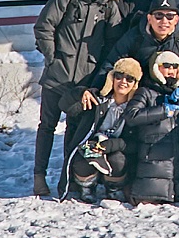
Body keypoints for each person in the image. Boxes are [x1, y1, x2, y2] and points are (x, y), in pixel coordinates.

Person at [31, 0, 127, 197]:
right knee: (47, 126)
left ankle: (69, 178)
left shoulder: (110, 8)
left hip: (84, 82)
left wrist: (98, 79)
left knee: (73, 131)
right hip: (57, 77)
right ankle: (39, 175)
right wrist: (52, 58)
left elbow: (113, 45)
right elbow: (44, 27)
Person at [124, 50, 179, 204]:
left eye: (175, 66)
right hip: (152, 171)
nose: (171, 70)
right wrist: (162, 111)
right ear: (156, 68)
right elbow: (131, 115)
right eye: (166, 65)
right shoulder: (146, 92)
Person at [62, 56, 153, 202]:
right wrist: (80, 93)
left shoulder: (136, 109)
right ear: (112, 78)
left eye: (129, 79)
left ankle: (114, 188)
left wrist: (111, 145)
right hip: (91, 146)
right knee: (83, 161)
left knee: (117, 160)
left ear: (135, 84)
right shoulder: (97, 99)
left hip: (117, 150)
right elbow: (65, 105)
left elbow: (135, 143)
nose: (123, 81)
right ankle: (87, 187)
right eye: (119, 76)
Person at [102, 0, 179, 81]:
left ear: (176, 19)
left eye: (170, 16)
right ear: (149, 18)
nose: (164, 21)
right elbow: (112, 63)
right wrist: (96, 88)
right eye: (159, 15)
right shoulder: (134, 36)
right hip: (143, 89)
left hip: (174, 88)